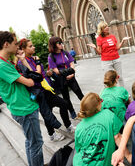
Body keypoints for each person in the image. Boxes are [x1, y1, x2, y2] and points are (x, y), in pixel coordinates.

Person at [0, 31, 44, 166]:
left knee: (30, 142)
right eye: (15, 43)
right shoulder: (2, 65)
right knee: (36, 143)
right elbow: (30, 82)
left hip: (23, 105)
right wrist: (32, 76)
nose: (17, 46)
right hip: (23, 107)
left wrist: (22, 59)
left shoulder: (6, 62)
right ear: (6, 44)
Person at [18, 39, 74, 141]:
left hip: (45, 88)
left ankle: (67, 126)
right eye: (30, 46)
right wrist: (39, 64)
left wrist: (48, 74)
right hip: (37, 91)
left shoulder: (32, 58)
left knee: (62, 104)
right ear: (23, 49)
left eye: (33, 45)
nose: (33, 47)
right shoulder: (22, 62)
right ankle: (52, 134)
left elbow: (41, 74)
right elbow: (36, 75)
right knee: (48, 112)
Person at [73, 92, 123, 166]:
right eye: (101, 100)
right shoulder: (108, 114)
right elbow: (117, 137)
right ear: (98, 105)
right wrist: (127, 155)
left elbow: (78, 148)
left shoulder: (79, 127)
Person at [48, 36, 84, 119]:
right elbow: (56, 71)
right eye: (59, 43)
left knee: (79, 93)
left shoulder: (65, 53)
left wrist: (72, 73)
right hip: (61, 80)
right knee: (66, 97)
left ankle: (87, 107)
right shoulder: (51, 56)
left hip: (71, 77)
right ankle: (72, 111)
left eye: (62, 42)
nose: (61, 44)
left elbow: (72, 64)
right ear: (54, 45)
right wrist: (69, 71)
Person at [87, 21, 131, 87]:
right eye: (105, 27)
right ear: (101, 29)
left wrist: (122, 41)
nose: (107, 28)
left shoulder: (112, 37)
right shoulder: (99, 39)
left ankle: (123, 92)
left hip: (116, 59)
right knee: (109, 79)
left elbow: (117, 48)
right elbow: (99, 53)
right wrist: (95, 48)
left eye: (107, 26)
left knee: (120, 77)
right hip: (106, 61)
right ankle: (110, 94)